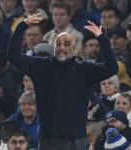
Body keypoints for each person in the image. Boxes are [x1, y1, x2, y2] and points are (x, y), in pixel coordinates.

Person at [8, 13, 118, 150]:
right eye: (58, 43)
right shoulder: (40, 66)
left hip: (76, 140)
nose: (61, 47)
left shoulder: (85, 69)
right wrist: (22, 25)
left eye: (66, 44)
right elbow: (13, 56)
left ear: (75, 49)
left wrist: (102, 39)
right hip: (48, 140)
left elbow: (112, 68)